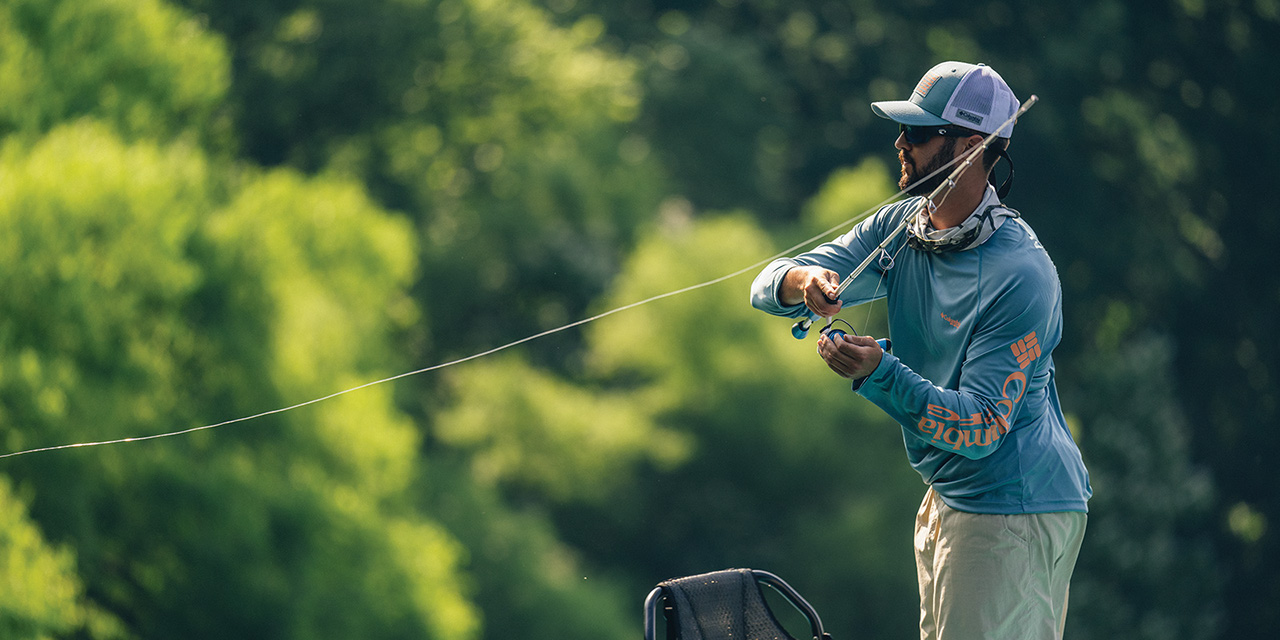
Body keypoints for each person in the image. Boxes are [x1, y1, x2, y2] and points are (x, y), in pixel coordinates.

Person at [750, 61, 1092, 640]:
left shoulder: (1021, 275)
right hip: (951, 495)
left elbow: (981, 427)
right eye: (904, 129)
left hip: (1015, 504)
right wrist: (804, 282)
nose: (900, 143)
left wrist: (879, 371)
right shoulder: (900, 227)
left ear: (972, 147)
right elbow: (765, 286)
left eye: (920, 132)